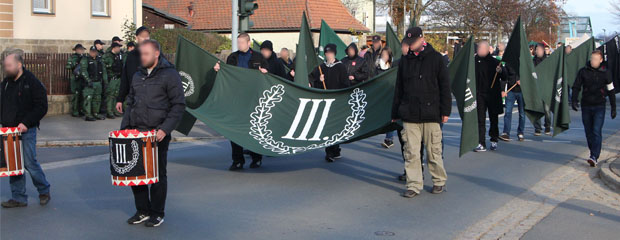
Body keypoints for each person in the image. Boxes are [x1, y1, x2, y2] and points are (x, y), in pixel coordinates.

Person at [121, 39, 185, 227]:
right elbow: (131, 102)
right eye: (141, 54)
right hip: (136, 133)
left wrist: (165, 129)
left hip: (157, 134)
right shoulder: (137, 75)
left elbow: (178, 105)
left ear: (156, 54)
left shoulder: (170, 75)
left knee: (157, 175)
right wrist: (125, 129)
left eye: (146, 54)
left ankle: (157, 213)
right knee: (135, 175)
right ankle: (142, 210)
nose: (142, 57)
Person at [392, 27, 451, 198]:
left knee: (433, 151)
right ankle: (413, 184)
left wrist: (445, 111)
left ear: (422, 39)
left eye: (414, 42)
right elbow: (399, 88)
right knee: (411, 152)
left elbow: (445, 86)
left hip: (431, 112)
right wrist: (395, 111)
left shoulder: (436, 59)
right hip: (410, 113)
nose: (411, 45)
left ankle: (438, 180)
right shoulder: (405, 61)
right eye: (408, 42)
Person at [1, 49, 51, 208]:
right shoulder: (6, 83)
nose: (6, 68)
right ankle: (18, 197)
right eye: (5, 66)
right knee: (13, 165)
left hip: (26, 130)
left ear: (19, 64)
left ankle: (44, 190)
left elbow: (41, 106)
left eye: (9, 65)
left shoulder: (31, 82)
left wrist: (26, 122)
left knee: (29, 163)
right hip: (9, 131)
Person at [214, 33, 268, 170]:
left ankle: (256, 158)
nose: (239, 45)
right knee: (235, 130)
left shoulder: (258, 57)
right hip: (236, 99)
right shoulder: (233, 57)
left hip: (253, 98)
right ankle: (237, 160)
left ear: (248, 43)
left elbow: (269, 74)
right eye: (238, 43)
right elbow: (227, 75)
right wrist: (219, 70)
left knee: (253, 130)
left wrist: (265, 72)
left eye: (242, 43)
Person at [571, 50, 617, 167]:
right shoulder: (583, 71)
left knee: (596, 131)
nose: (593, 61)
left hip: (599, 106)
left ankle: (594, 156)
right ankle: (593, 152)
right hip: (586, 105)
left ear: (601, 60)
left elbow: (611, 90)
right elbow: (576, 86)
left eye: (596, 59)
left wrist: (613, 107)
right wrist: (574, 100)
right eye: (592, 59)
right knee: (588, 132)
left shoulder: (605, 73)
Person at [309, 43, 350, 162]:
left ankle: (336, 149)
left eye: (330, 53)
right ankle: (329, 152)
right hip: (326, 102)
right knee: (328, 127)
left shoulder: (340, 67)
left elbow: (345, 84)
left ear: (334, 53)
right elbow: (313, 82)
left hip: (336, 101)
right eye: (327, 53)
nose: (328, 55)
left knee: (336, 127)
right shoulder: (322, 67)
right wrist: (318, 80)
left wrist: (342, 98)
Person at [474, 41, 504, 152]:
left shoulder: (495, 62)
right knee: (480, 119)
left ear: (487, 49)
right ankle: (481, 142)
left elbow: (504, 76)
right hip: (480, 94)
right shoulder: (474, 62)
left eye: (481, 48)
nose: (479, 50)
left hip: (493, 95)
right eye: (478, 48)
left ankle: (494, 139)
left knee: (493, 118)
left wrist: (500, 71)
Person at [116, 26, 150, 114]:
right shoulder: (131, 56)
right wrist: (120, 99)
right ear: (136, 38)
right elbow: (125, 79)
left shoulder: (156, 55)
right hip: (134, 98)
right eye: (142, 36)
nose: (145, 39)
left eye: (147, 36)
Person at [80, 46, 107, 121]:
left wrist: (105, 81)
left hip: (98, 82)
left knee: (97, 98)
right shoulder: (85, 59)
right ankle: (88, 114)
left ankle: (95, 113)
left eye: (95, 52)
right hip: (90, 82)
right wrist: (88, 80)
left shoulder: (100, 60)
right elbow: (83, 71)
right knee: (88, 98)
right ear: (89, 52)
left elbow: (104, 71)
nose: (93, 53)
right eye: (92, 51)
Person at [499, 66, 525, 142]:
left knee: (522, 114)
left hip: (522, 92)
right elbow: (504, 78)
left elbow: (530, 77)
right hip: (511, 91)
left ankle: (520, 132)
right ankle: (506, 133)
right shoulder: (508, 64)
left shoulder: (524, 62)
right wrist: (502, 90)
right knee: (508, 112)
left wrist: (522, 81)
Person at [532, 43, 551, 136]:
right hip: (536, 88)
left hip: (545, 88)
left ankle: (547, 126)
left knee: (547, 109)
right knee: (537, 109)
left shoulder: (548, 61)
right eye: (536, 50)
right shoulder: (533, 61)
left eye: (539, 49)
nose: (537, 51)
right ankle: (537, 128)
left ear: (543, 51)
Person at [103, 42, 124, 119]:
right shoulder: (107, 56)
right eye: (118, 47)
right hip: (111, 78)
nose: (119, 49)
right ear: (114, 48)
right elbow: (104, 68)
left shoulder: (119, 55)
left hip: (118, 77)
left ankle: (115, 110)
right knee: (110, 95)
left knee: (116, 94)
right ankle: (109, 111)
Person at [66, 44, 86, 117]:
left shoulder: (84, 57)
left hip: (82, 78)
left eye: (82, 50)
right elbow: (68, 66)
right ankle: (75, 111)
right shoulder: (72, 57)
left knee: (82, 95)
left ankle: (81, 110)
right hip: (75, 78)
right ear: (76, 50)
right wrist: (75, 64)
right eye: (80, 49)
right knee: (76, 95)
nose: (81, 51)